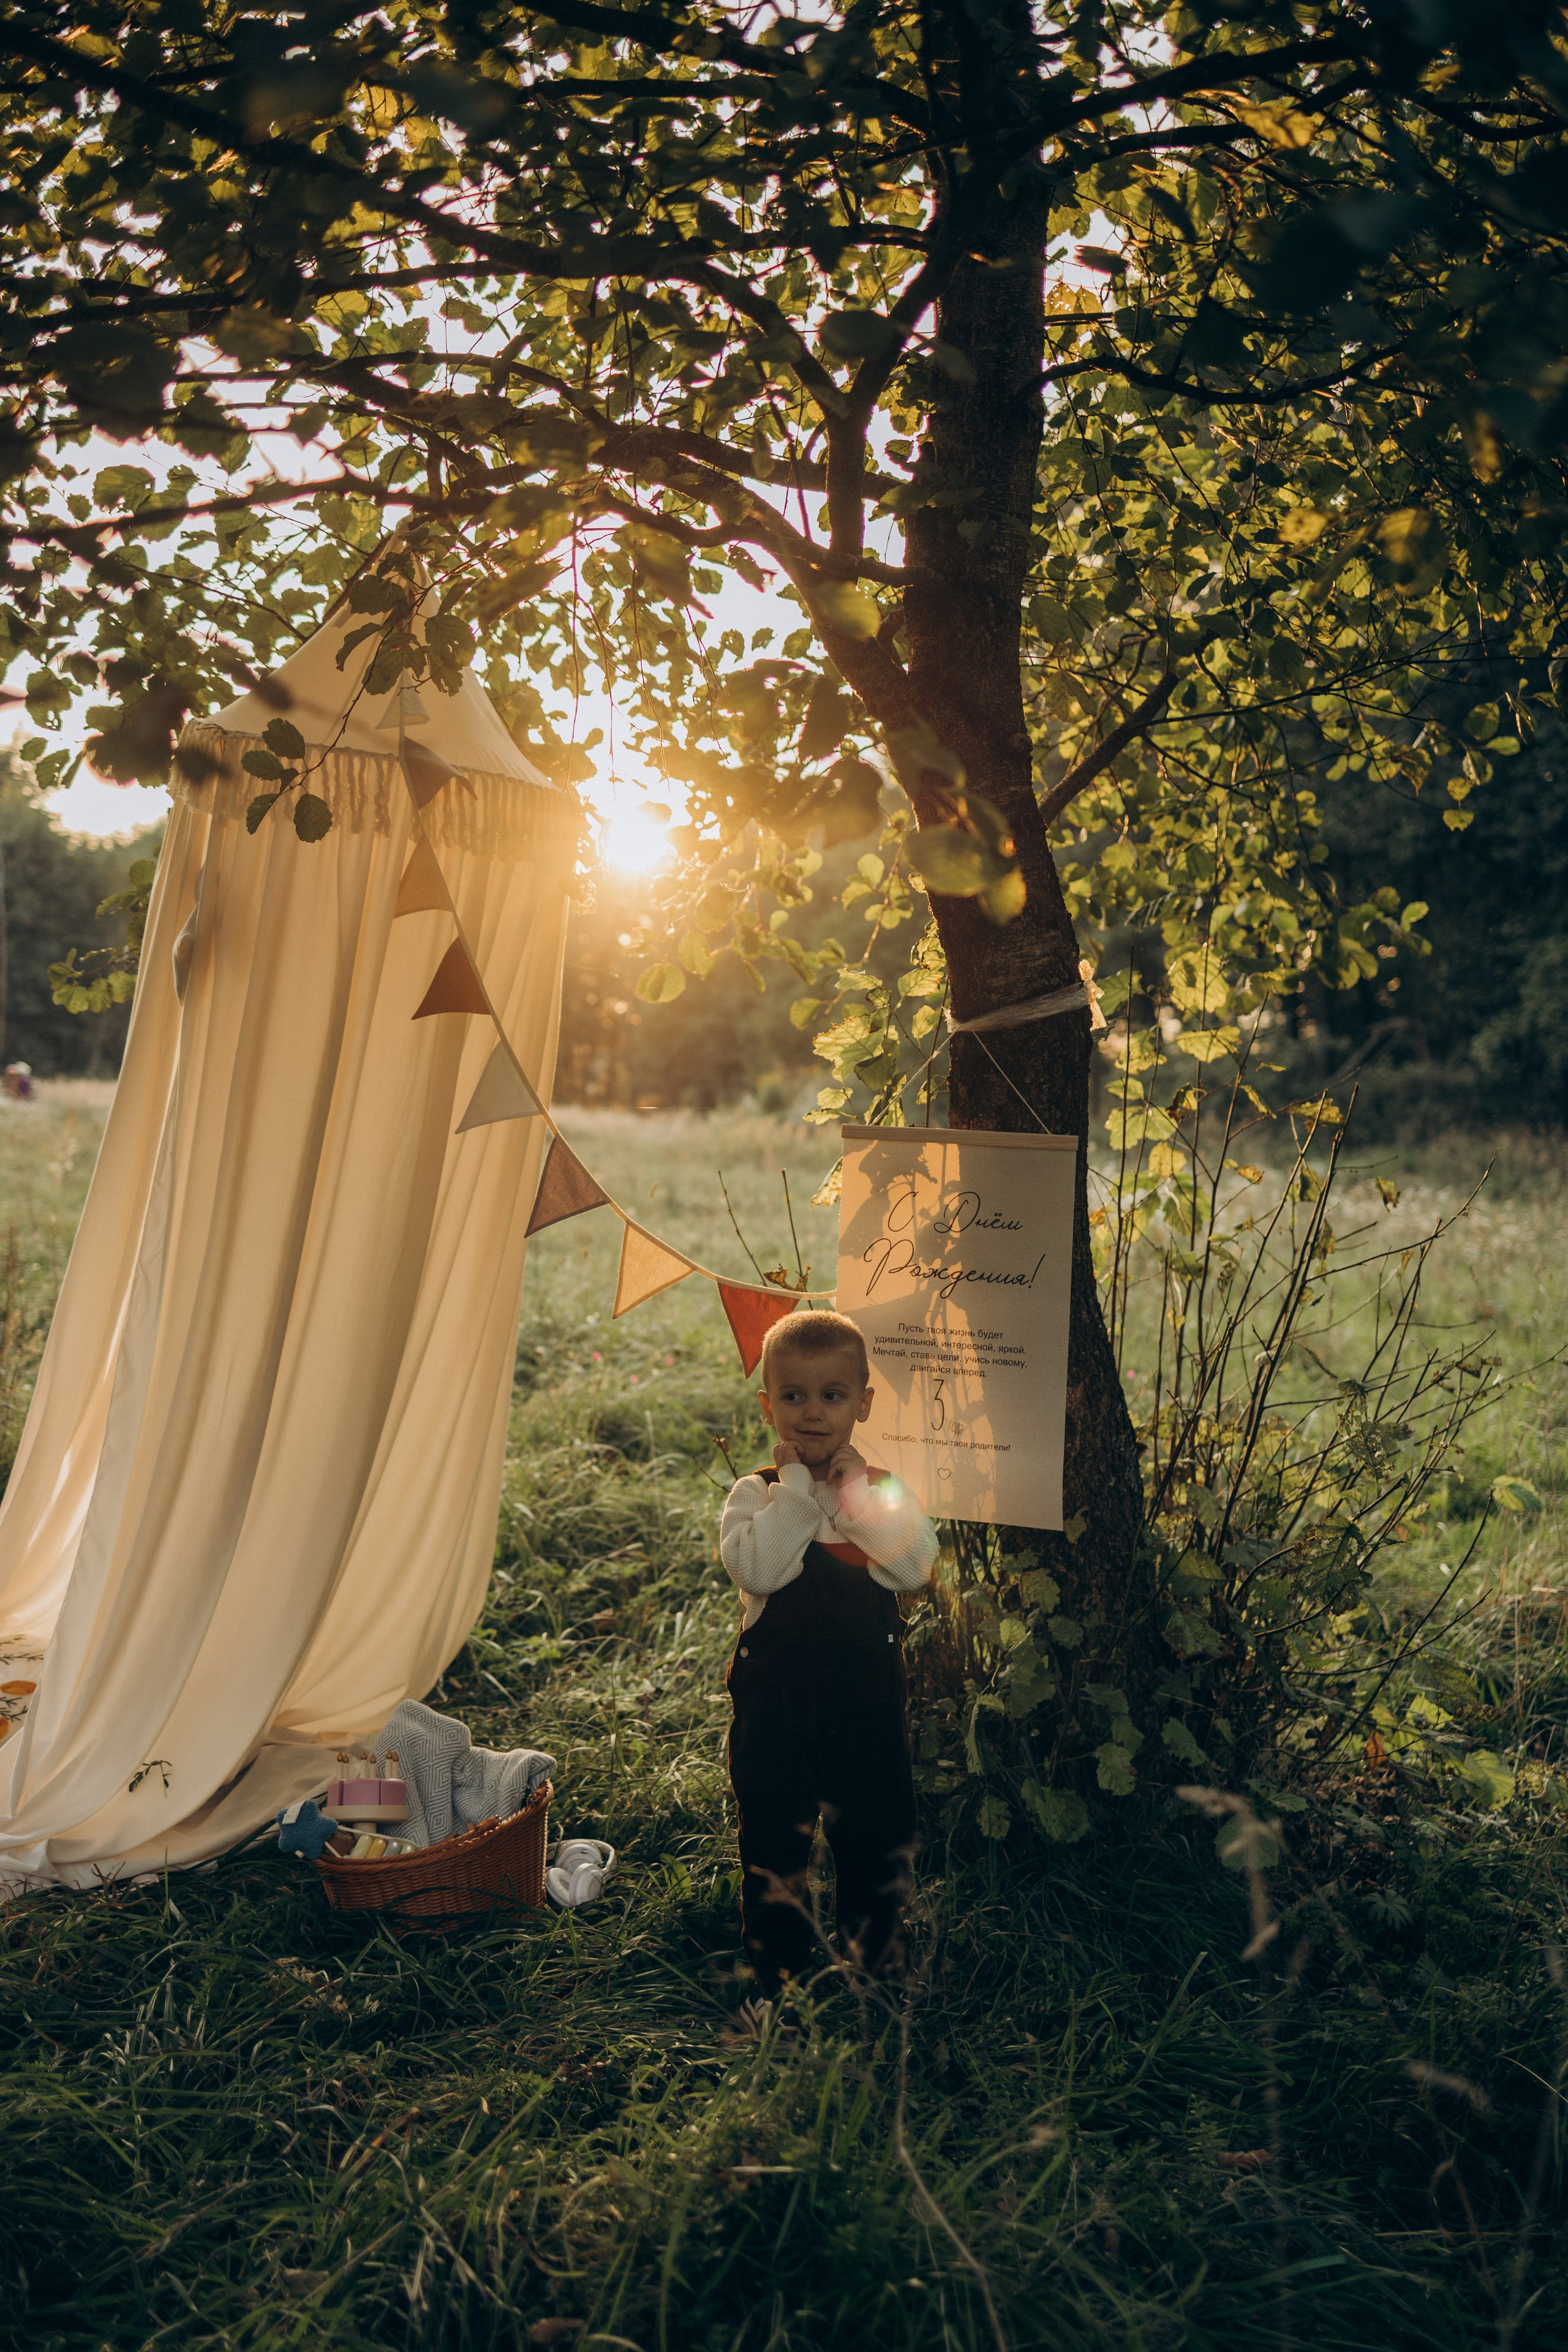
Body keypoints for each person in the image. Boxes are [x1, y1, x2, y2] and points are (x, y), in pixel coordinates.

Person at [720, 1308, 937, 1998]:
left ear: (861, 1403)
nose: (812, 1414)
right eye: (793, 1396)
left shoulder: (879, 1493)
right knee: (774, 1832)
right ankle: (775, 1966)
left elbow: (914, 1571)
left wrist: (851, 1501)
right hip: (777, 1701)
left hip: (866, 1700)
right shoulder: (756, 1494)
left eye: (831, 1396)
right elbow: (758, 1572)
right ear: (768, 1405)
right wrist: (797, 1497)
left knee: (874, 1831)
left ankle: (874, 1965)